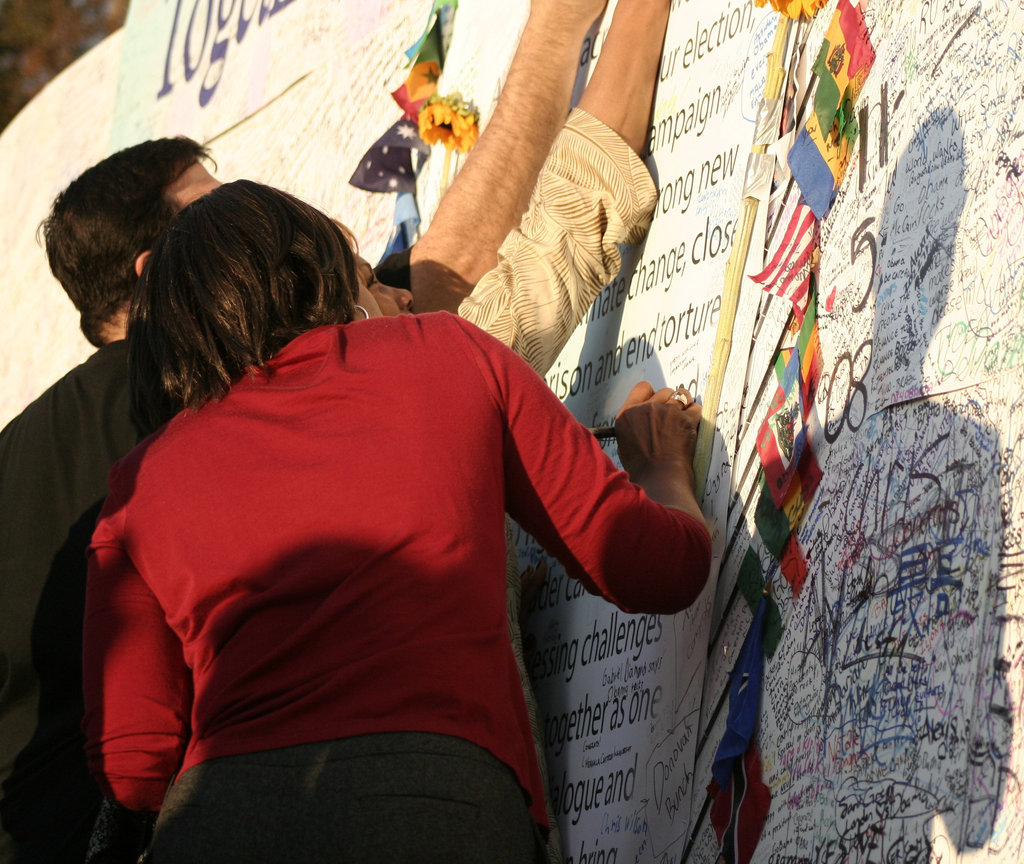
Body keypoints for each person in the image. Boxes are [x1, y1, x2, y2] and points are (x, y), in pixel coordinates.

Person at [3, 1, 672, 858]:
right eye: (230, 208)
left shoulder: (37, 461)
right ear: (170, 261)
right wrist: (555, 33)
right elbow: (511, 258)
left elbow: (131, 760)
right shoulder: (356, 378)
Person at [82, 179, 711, 863]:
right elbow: (656, 567)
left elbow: (133, 765)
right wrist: (660, 470)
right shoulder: (445, 353)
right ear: (310, 276)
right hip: (437, 811)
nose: (402, 295)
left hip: (215, 824)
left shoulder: (139, 488)